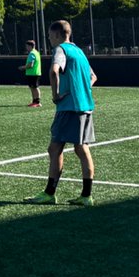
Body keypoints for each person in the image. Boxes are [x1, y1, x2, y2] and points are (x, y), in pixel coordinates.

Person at [25, 20, 97, 207]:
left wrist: (56, 95)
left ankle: (50, 193)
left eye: (49, 35)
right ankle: (86, 196)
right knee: (81, 149)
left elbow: (54, 71)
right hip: (85, 105)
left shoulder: (60, 50)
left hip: (69, 107)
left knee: (55, 148)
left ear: (57, 35)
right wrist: (82, 89)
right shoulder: (79, 51)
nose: (49, 39)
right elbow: (93, 76)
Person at [18, 40, 41, 107]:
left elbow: (31, 65)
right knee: (33, 87)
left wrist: (23, 67)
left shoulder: (32, 54)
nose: (26, 47)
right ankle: (34, 101)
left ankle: (37, 102)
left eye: (27, 46)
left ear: (30, 46)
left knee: (35, 87)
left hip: (33, 73)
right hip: (33, 73)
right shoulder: (36, 52)